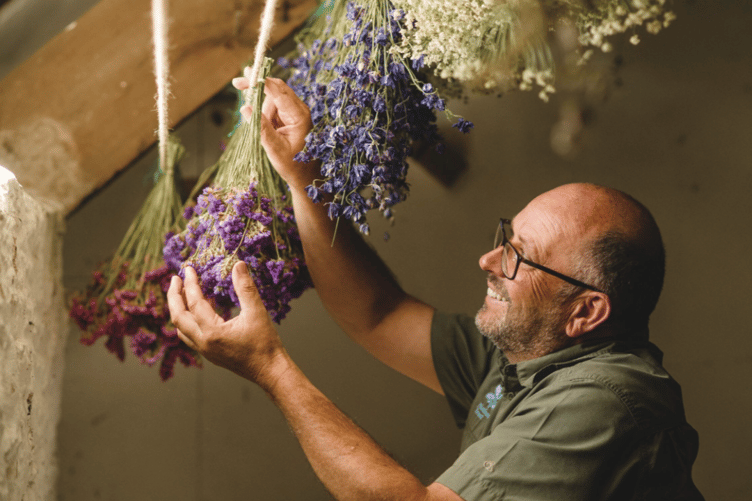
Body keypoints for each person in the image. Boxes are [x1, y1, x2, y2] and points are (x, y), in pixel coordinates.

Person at [167, 76, 704, 500]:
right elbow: (377, 314)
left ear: (585, 312)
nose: (488, 260)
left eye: (521, 256)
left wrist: (270, 366)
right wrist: (304, 180)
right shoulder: (531, 349)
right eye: (506, 237)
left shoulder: (604, 403)